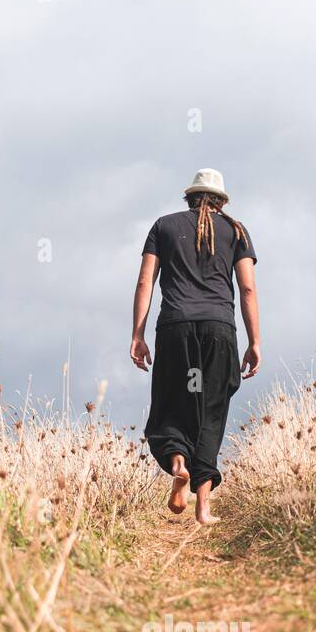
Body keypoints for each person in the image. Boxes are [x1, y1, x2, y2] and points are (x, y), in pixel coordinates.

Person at [130, 168, 260, 525]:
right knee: (211, 410)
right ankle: (203, 506)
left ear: (189, 197)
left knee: (173, 403)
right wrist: (254, 341)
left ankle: (177, 463)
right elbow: (248, 289)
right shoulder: (236, 231)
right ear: (221, 201)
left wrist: (137, 335)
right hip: (219, 329)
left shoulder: (163, 226)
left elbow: (145, 282)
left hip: (175, 328)